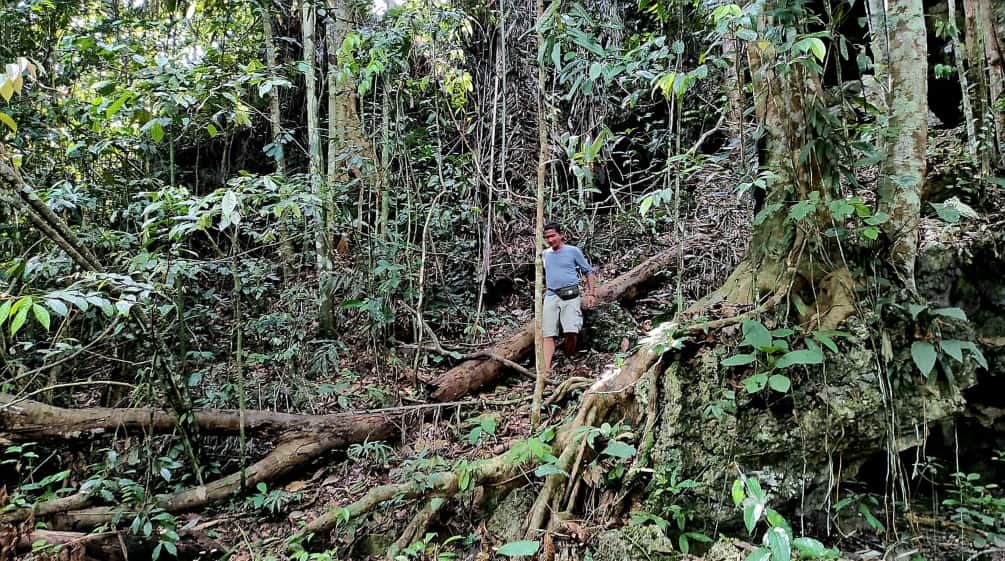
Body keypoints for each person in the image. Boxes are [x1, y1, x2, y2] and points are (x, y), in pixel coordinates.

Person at [541, 221, 596, 374]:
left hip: (570, 295)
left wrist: (591, 294)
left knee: (571, 330)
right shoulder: (545, 255)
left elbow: (588, 272)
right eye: (547, 237)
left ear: (561, 235)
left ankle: (569, 355)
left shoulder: (573, 251)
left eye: (553, 236)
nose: (550, 240)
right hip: (551, 295)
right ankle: (545, 370)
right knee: (548, 333)